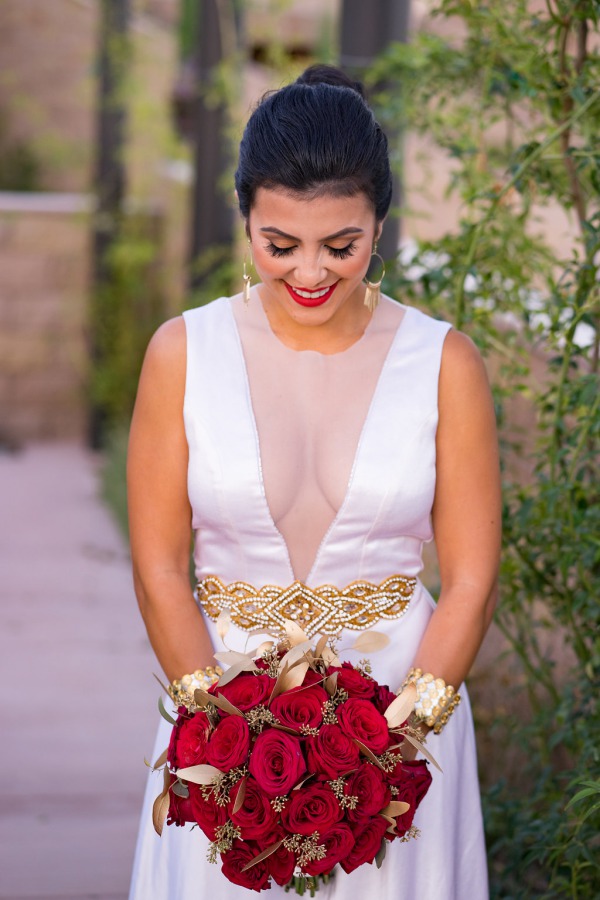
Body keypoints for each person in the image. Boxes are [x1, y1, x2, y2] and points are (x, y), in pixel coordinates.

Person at [127, 64, 501, 899]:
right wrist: (210, 728)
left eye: (342, 245)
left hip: (404, 713)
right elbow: (158, 566)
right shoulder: (181, 353)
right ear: (246, 218)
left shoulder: (443, 362)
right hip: (221, 708)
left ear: (380, 222)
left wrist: (402, 734)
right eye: (278, 244)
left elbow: (472, 574)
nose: (309, 275)